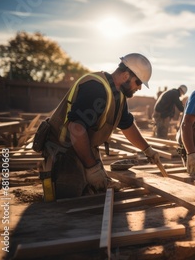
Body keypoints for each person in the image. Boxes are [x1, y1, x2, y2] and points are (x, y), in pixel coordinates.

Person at [42, 53, 165, 199]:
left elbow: (127, 126)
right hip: (63, 152)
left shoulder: (118, 96)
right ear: (126, 76)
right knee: (71, 202)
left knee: (99, 194)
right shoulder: (96, 89)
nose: (139, 88)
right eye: (138, 83)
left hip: (82, 147)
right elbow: (76, 129)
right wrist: (92, 168)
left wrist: (147, 149)